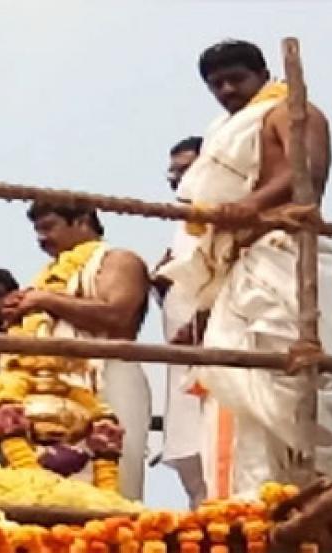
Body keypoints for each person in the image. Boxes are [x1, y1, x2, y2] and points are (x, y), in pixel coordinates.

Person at [154, 40, 332, 498]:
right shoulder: (226, 128)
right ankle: (251, 505)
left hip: (283, 255)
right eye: (217, 85)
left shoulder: (290, 111)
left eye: (237, 79)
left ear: (263, 73)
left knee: (291, 378)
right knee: (236, 389)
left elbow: (308, 172)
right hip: (242, 265)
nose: (227, 90)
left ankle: (308, 494)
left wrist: (246, 207)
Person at [2, 201, 151, 500]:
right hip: (47, 393)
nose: (41, 239)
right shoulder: (46, 276)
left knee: (114, 481)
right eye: (37, 231)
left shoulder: (118, 259)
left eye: (48, 228)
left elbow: (117, 314)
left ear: (82, 221)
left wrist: (46, 300)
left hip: (108, 377)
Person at [152, 136, 210, 508]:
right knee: (199, 484)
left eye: (186, 170)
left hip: (223, 363)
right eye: (173, 174)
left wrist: (202, 322)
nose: (178, 181)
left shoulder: (228, 220)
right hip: (185, 369)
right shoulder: (182, 233)